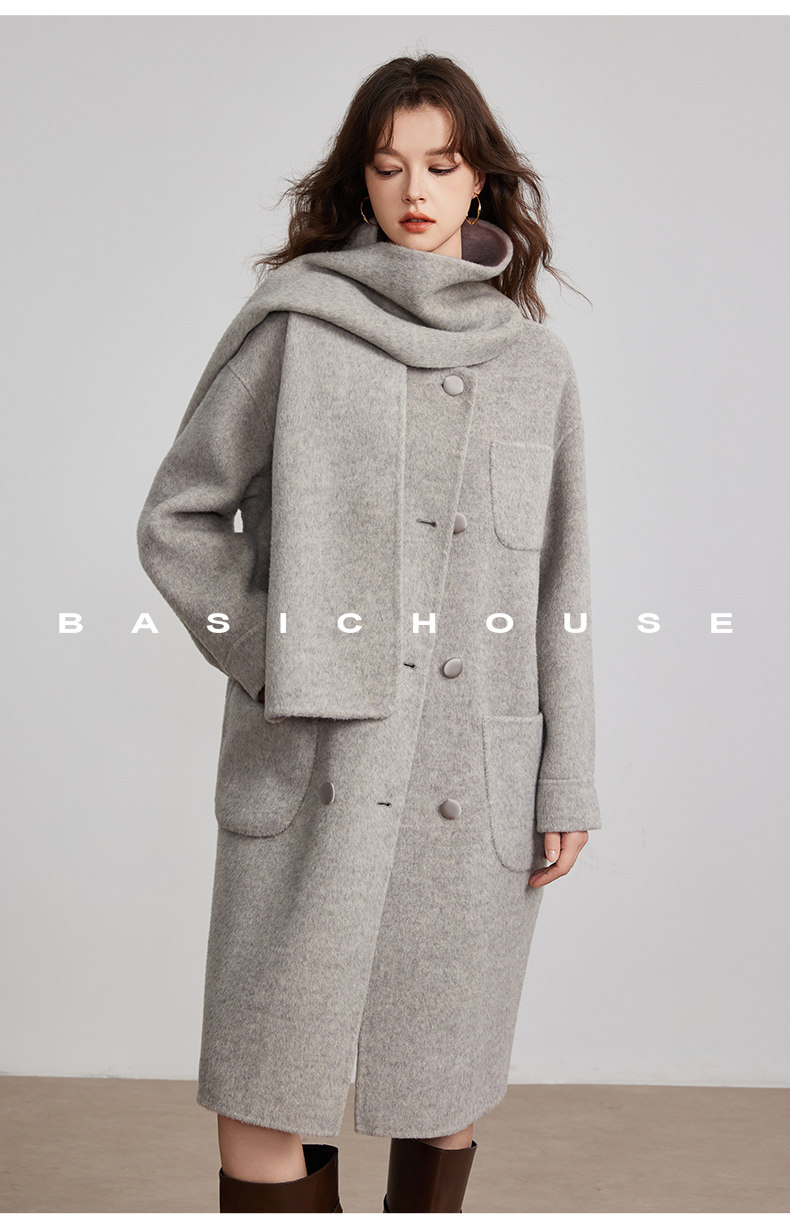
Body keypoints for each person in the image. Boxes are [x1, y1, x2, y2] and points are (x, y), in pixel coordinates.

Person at [137, 52, 601, 1215]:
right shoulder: (296, 327)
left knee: (440, 1080)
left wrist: (568, 777)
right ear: (361, 179)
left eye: (441, 164)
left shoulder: (533, 364)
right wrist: (278, 651)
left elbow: (561, 585)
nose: (416, 190)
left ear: (481, 180)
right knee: (266, 1088)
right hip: (314, 762)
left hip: (467, 772)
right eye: (390, 166)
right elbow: (179, 520)